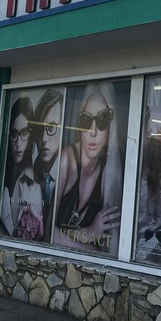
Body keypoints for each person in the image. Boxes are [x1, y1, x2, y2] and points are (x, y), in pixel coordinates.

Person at [53, 83, 122, 252]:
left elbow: (109, 244)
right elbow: (47, 232)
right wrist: (89, 238)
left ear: (111, 126)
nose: (93, 131)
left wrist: (78, 236)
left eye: (102, 119)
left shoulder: (108, 174)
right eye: (86, 119)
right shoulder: (67, 159)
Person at [0, 96, 44, 240]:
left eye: (24, 133)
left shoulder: (36, 186)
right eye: (13, 134)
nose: (18, 143)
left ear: (31, 136)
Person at [32, 89, 63, 239]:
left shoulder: (71, 177)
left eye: (51, 128)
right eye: (39, 129)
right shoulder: (30, 177)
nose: (44, 138)